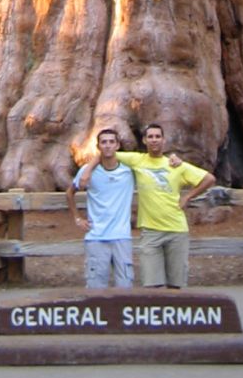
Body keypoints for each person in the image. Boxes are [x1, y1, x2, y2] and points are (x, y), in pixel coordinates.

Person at [115, 123, 214, 290]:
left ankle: (174, 315)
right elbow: (106, 153)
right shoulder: (137, 160)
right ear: (145, 140)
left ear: (164, 140)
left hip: (176, 229)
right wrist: (87, 172)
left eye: (157, 137)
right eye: (150, 137)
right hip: (150, 231)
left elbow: (209, 179)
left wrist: (188, 196)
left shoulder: (175, 165)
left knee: (176, 284)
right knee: (151, 284)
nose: (154, 140)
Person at [68, 127, 136, 288]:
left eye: (112, 142)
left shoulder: (129, 171)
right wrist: (77, 217)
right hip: (96, 236)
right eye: (103, 142)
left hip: (121, 236)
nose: (108, 145)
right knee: (96, 287)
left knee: (125, 285)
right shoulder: (87, 172)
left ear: (118, 145)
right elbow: (70, 193)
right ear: (98, 147)